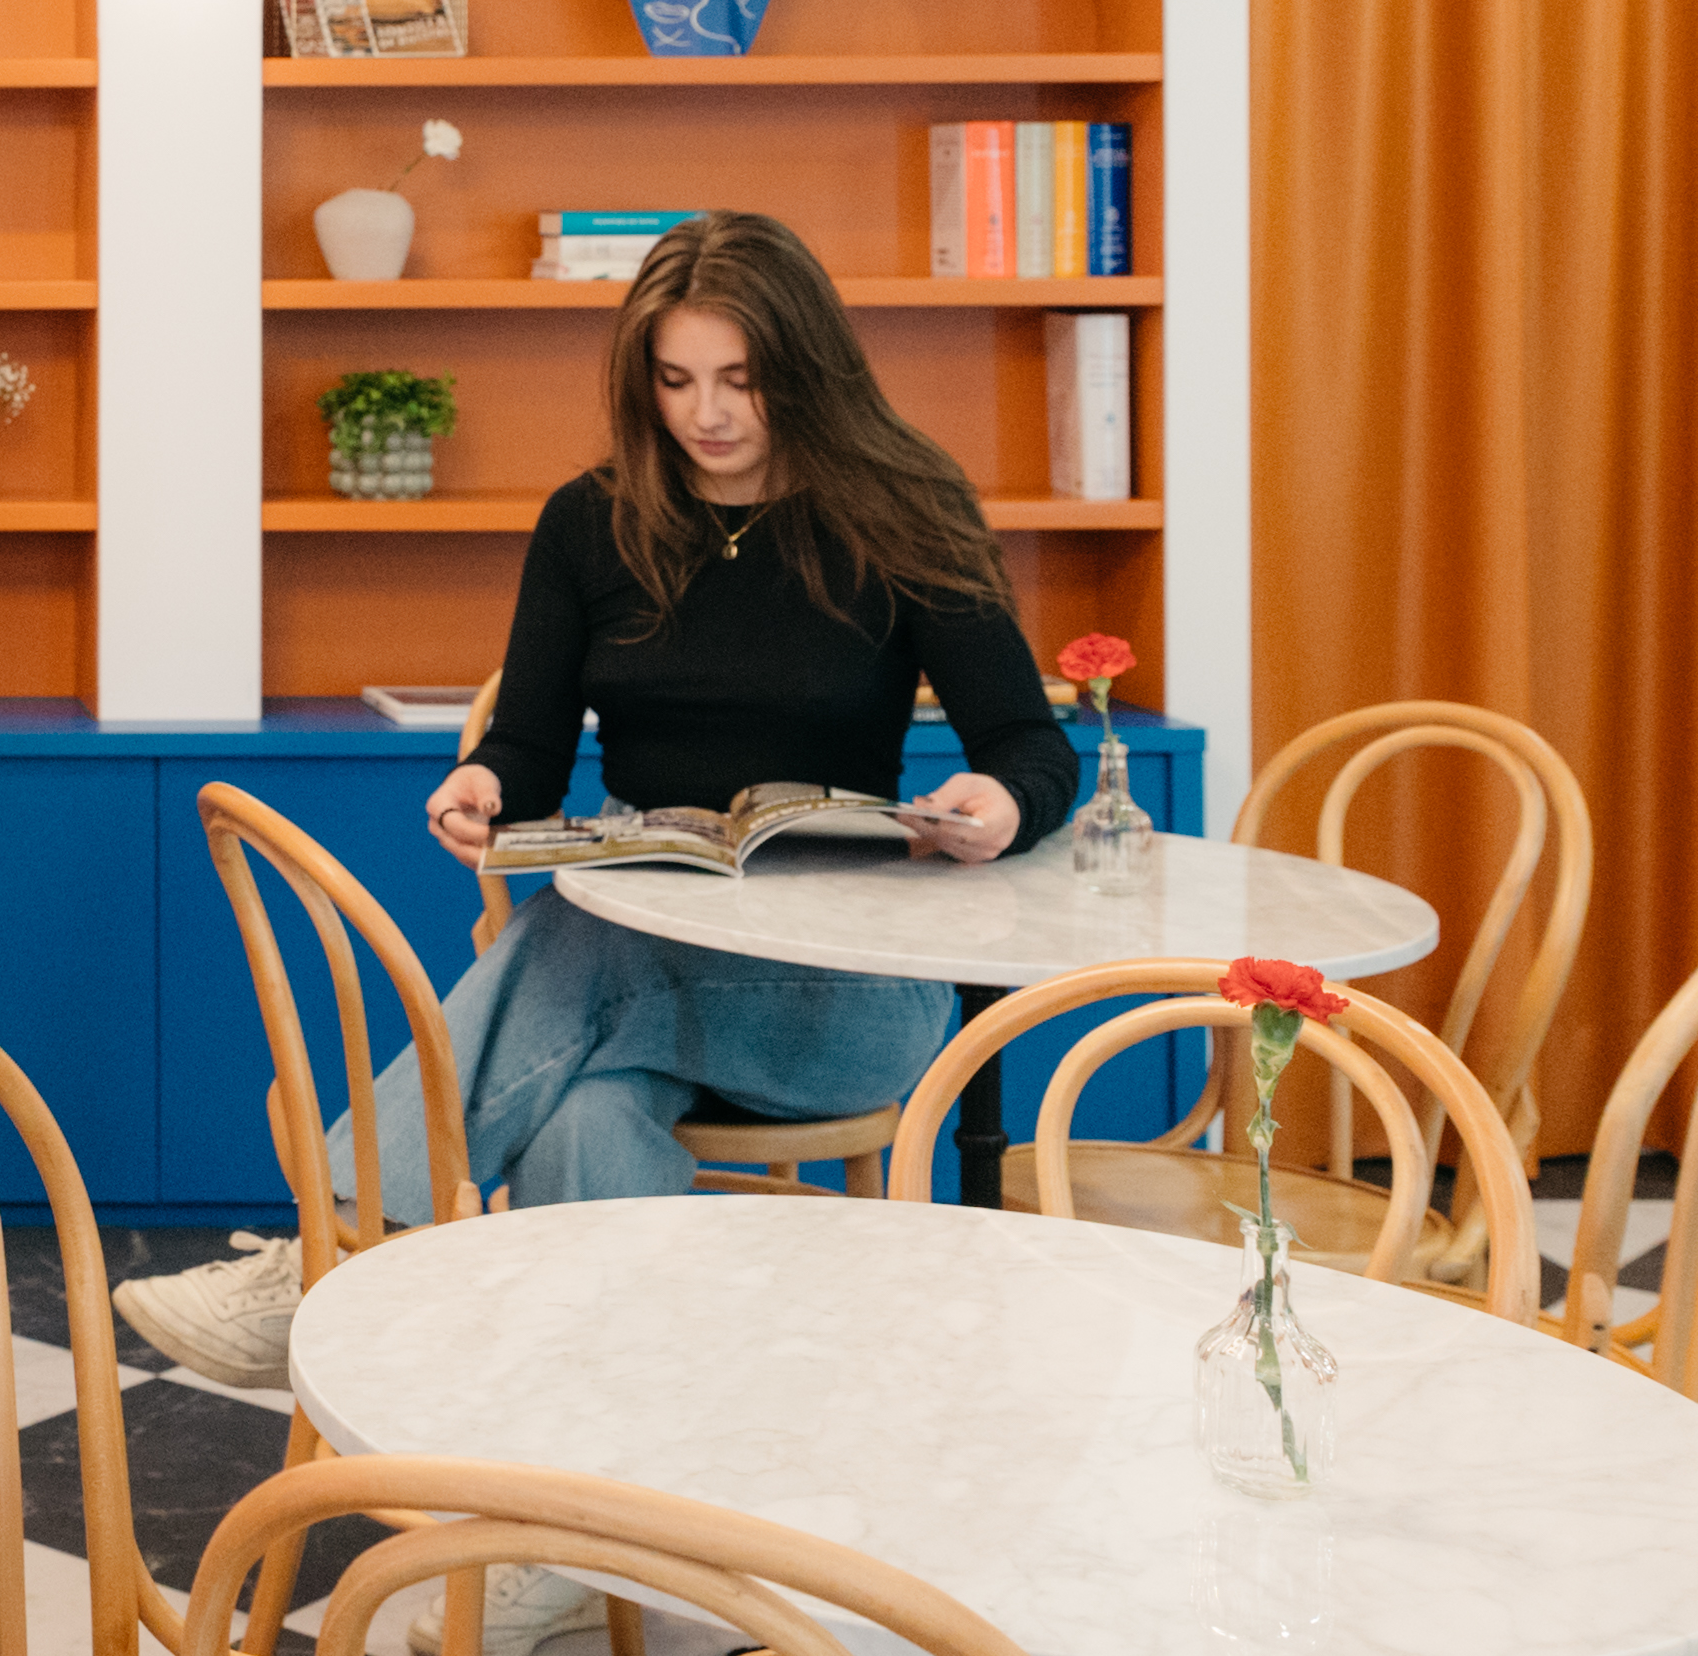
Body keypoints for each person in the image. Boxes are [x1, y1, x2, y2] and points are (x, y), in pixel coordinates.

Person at [121, 211, 1075, 1413]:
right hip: (638, 969)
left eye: (741, 379)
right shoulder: (593, 520)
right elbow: (526, 748)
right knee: (585, 1124)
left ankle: (338, 1247)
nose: (705, 414)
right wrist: (486, 787)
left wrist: (1001, 802)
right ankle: (586, 1489)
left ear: (808, 367)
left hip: (842, 994)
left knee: (580, 942)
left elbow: (1032, 748)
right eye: (675, 380)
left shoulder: (906, 507)